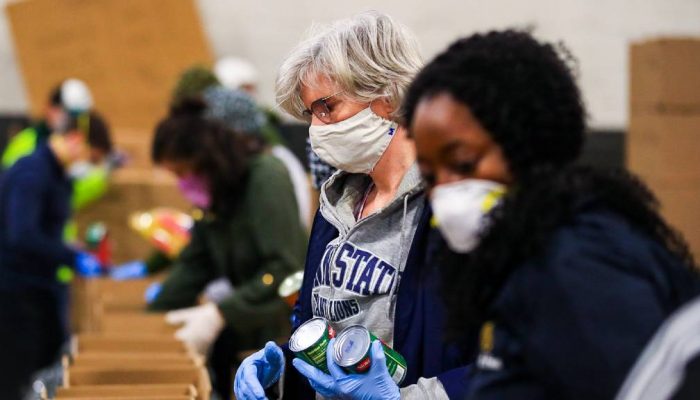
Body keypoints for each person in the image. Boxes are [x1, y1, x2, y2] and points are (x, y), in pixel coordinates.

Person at [402, 29, 700, 399]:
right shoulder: (512, 259)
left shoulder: (577, 265)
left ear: (528, 144)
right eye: (430, 176)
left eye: (463, 163)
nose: (445, 191)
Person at [234, 11, 474, 400]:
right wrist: (284, 371)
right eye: (311, 113)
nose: (317, 128)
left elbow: (521, 358)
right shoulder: (337, 205)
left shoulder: (457, 209)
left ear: (388, 95)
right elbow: (328, 330)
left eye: (327, 107)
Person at [145, 99, 306, 400]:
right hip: (242, 328)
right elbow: (196, 262)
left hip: (278, 330)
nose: (183, 184)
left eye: (183, 172)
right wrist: (151, 322)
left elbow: (284, 268)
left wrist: (219, 313)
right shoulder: (217, 196)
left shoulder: (265, 178)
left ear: (208, 159)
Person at [0, 112, 111, 400]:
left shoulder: (57, 177)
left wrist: (75, 250)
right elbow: (23, 235)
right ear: (75, 139)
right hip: (16, 292)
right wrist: (71, 258)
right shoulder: (31, 173)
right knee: (18, 374)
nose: (90, 167)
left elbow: (48, 230)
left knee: (50, 364)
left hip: (42, 288)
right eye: (93, 157)